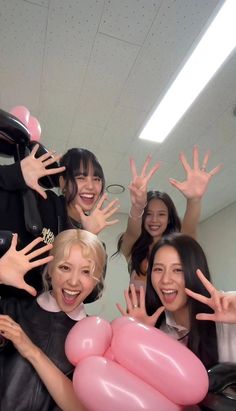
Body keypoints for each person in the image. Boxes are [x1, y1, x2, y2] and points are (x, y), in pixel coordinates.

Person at [0, 228, 106, 411]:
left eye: (86, 272)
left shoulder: (96, 341)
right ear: (49, 269)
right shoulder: (10, 309)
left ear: (97, 280)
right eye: (65, 267)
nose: (73, 281)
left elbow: (80, 408)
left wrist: (31, 350)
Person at [0, 145, 118, 298]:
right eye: (81, 178)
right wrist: (16, 173)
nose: (90, 186)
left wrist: (89, 237)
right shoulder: (37, 202)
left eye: (96, 179)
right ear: (63, 182)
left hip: (42, 315)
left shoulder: (93, 236)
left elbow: (92, 295)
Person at [117, 232, 236, 370]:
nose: (166, 280)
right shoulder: (158, 328)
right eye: (158, 269)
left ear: (195, 272)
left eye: (178, 270)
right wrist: (142, 338)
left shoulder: (228, 311)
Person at [117, 146, 221, 294]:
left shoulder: (178, 246)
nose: (154, 220)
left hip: (172, 317)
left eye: (161, 214)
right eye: (148, 213)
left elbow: (189, 228)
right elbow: (133, 231)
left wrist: (194, 200)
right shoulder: (133, 246)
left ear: (169, 218)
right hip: (134, 317)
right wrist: (138, 206)